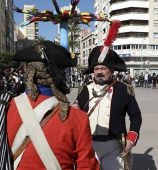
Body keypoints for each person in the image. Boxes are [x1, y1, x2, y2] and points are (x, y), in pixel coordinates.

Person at [6, 41, 99, 170]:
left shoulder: (5, 109)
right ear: (61, 75)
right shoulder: (78, 118)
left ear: (28, 71)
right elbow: (86, 167)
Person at [72, 45, 142, 170]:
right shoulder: (83, 90)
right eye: (96, 69)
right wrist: (73, 112)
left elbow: (136, 116)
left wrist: (131, 139)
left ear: (112, 70)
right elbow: (77, 115)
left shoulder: (124, 90)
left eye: (103, 68)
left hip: (115, 146)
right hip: (89, 144)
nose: (99, 72)